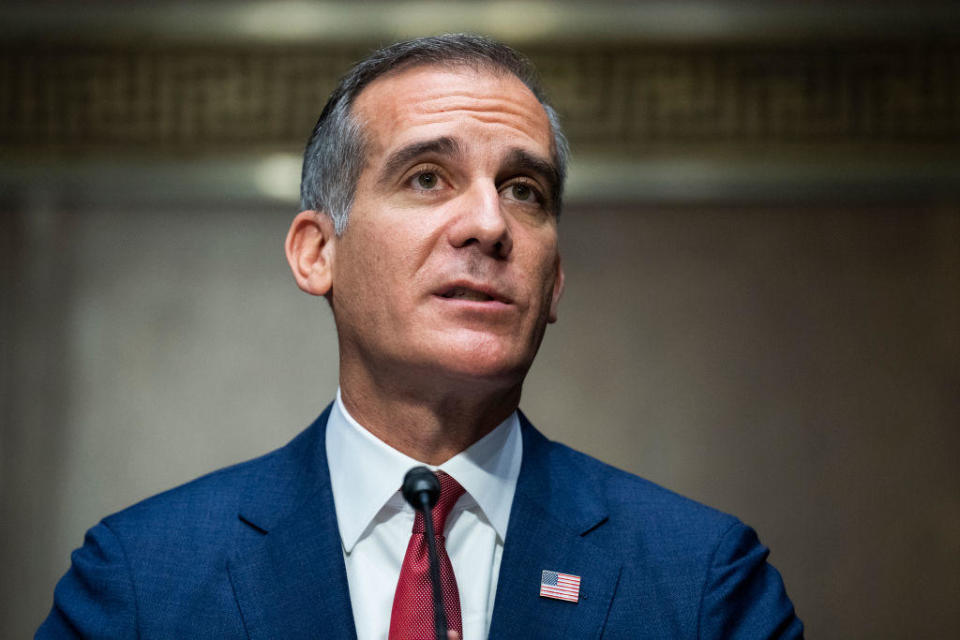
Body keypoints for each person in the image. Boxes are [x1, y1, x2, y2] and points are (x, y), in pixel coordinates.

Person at [37, 34, 803, 639]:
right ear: (316, 252)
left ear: (555, 282)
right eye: (427, 178)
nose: (489, 224)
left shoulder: (702, 578)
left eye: (523, 190)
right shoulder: (142, 576)